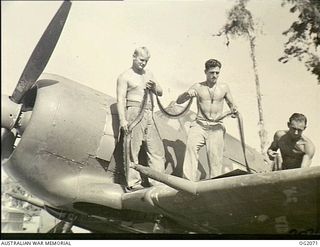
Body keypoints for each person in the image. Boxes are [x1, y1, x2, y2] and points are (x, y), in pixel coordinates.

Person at [176, 59, 237, 181]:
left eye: (217, 73)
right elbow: (179, 101)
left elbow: (232, 104)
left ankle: (214, 187)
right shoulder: (198, 87)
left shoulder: (224, 87)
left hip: (216, 126)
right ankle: (188, 182)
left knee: (215, 160)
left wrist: (234, 109)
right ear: (205, 72)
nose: (214, 75)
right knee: (191, 148)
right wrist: (187, 94)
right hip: (200, 124)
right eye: (211, 72)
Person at [116, 47, 165, 190]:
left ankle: (158, 183)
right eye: (141, 60)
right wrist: (122, 120)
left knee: (156, 150)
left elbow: (160, 92)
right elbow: (120, 100)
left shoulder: (149, 74)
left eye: (146, 61)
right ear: (133, 57)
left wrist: (155, 86)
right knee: (132, 150)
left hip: (150, 112)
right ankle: (134, 183)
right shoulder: (124, 76)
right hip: (134, 112)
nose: (143, 63)